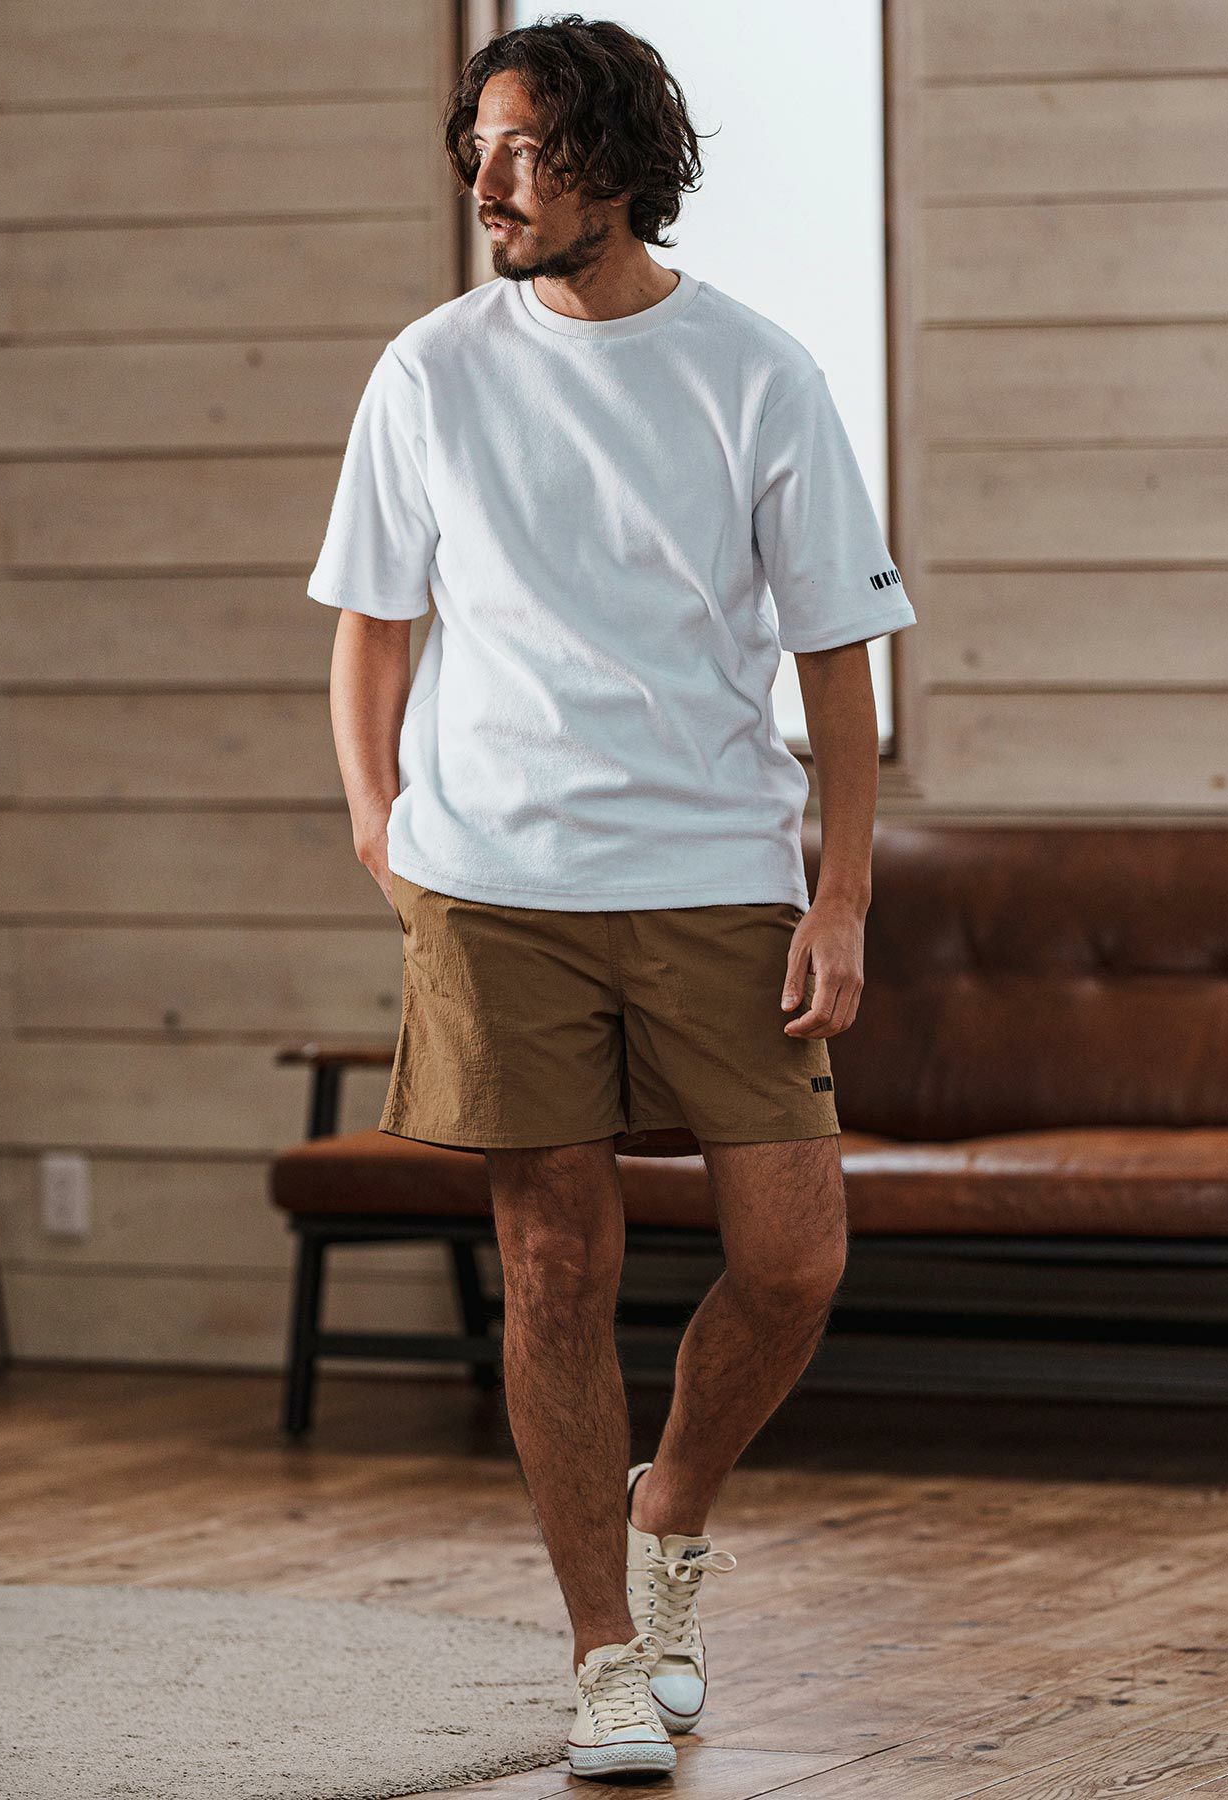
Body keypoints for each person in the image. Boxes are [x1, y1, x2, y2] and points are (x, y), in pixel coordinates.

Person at [308, 14, 915, 1782]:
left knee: (793, 1259)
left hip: (718, 874)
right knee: (555, 1265)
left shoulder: (757, 373)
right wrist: (379, 825)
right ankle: (599, 1655)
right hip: (496, 884)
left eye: (525, 149)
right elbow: (372, 625)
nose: (487, 182)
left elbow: (837, 658)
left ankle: (671, 1518)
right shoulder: (431, 370)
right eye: (476, 147)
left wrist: (841, 898)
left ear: (620, 165)